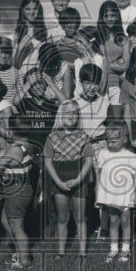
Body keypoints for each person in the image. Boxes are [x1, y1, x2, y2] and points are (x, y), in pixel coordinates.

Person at [43, 100, 94, 256]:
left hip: (78, 180)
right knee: (62, 217)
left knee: (80, 218)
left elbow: (88, 161)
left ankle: (82, 253)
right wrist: (58, 182)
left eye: (75, 113)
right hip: (59, 181)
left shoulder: (84, 137)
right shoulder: (52, 137)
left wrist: (78, 180)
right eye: (68, 113)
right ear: (61, 115)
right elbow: (48, 162)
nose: (71, 116)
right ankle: (61, 252)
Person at [0, 114, 37, 270]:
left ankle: (25, 261)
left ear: (11, 131)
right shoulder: (27, 145)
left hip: (17, 191)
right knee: (5, 219)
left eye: (6, 128)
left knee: (17, 227)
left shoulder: (14, 150)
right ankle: (19, 251)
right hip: (21, 189)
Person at [95, 120, 136, 263]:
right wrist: (97, 189)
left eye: (114, 141)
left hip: (125, 194)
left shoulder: (131, 156)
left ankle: (125, 250)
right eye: (108, 141)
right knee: (113, 221)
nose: (110, 144)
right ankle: (113, 248)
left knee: (125, 221)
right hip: (109, 193)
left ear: (124, 139)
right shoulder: (103, 154)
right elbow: (99, 173)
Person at [97, 0, 129, 104]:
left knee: (116, 118)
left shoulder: (124, 39)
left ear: (117, 17)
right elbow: (95, 64)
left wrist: (105, 64)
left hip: (117, 86)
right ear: (102, 18)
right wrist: (116, 64)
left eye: (113, 15)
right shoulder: (96, 37)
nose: (110, 19)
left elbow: (125, 65)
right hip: (99, 85)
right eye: (106, 16)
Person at [14, 0, 48, 75]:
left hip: (38, 77)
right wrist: (20, 48)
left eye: (35, 9)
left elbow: (48, 61)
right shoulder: (16, 33)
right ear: (22, 10)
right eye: (28, 9)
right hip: (20, 77)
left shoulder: (45, 32)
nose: (32, 12)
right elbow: (14, 65)